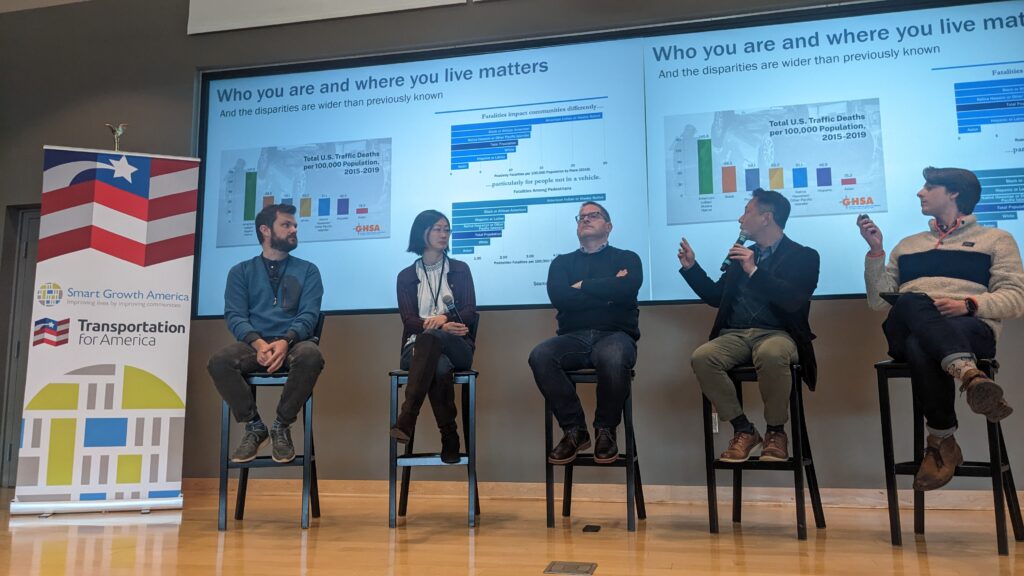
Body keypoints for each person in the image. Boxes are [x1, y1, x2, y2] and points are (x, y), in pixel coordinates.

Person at [859, 166, 1024, 490]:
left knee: (924, 345)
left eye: (929, 187)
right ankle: (967, 372)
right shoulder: (907, 245)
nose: (920, 192)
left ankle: (942, 441)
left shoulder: (997, 240)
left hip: (968, 327)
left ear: (954, 193)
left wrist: (969, 305)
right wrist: (876, 250)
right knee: (909, 301)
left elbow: (1015, 298)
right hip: (907, 326)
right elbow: (879, 302)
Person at [680, 188, 819, 463]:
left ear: (766, 217)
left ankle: (776, 432)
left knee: (772, 353)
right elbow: (715, 297)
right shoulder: (742, 255)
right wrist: (691, 268)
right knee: (703, 357)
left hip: (779, 334)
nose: (740, 218)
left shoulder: (804, 256)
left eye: (747, 211)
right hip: (736, 334)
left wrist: (755, 272)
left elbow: (793, 300)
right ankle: (744, 430)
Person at [208, 203, 325, 464]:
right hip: (254, 343)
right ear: (265, 230)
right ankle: (254, 426)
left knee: (311, 356)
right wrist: (259, 343)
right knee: (219, 362)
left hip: (294, 342)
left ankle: (281, 426)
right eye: (286, 224)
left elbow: (309, 315)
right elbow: (235, 315)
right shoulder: (240, 272)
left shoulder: (309, 270)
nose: (294, 229)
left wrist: (286, 341)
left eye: (295, 225)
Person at [529, 201, 642, 465]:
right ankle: (574, 430)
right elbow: (561, 297)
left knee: (613, 355)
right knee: (541, 355)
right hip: (573, 337)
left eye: (594, 215)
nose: (585, 219)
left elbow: (628, 288)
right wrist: (608, 290)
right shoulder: (562, 263)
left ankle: (606, 430)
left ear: (609, 226)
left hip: (616, 335)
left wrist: (582, 286)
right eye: (581, 217)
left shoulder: (627, 258)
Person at [390, 210, 478, 464]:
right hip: (415, 350)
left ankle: (407, 416)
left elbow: (470, 312)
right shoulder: (406, 277)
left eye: (446, 229)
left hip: (457, 346)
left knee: (430, 339)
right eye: (437, 229)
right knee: (435, 357)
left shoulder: (460, 270)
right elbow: (409, 321)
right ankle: (449, 436)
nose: (443, 234)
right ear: (422, 232)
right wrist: (438, 327)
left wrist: (445, 321)